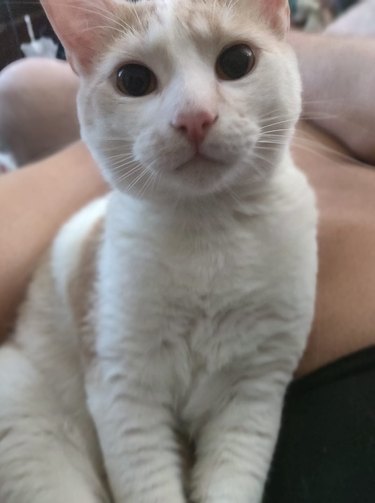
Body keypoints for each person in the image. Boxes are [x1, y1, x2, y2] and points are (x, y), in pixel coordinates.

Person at [0, 1, 374, 500]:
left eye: (234, 63)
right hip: (52, 409)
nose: (195, 114)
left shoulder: (294, 226)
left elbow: (249, 404)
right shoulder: (120, 246)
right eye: (136, 81)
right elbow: (127, 404)